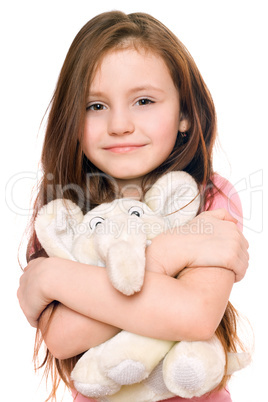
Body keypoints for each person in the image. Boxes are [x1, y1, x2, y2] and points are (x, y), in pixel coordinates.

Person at [17, 11, 249, 402]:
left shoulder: (209, 197)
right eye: (95, 106)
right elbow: (63, 337)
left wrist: (52, 278)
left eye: (143, 100)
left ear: (186, 116)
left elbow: (194, 314)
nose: (119, 124)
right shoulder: (64, 207)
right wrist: (173, 255)